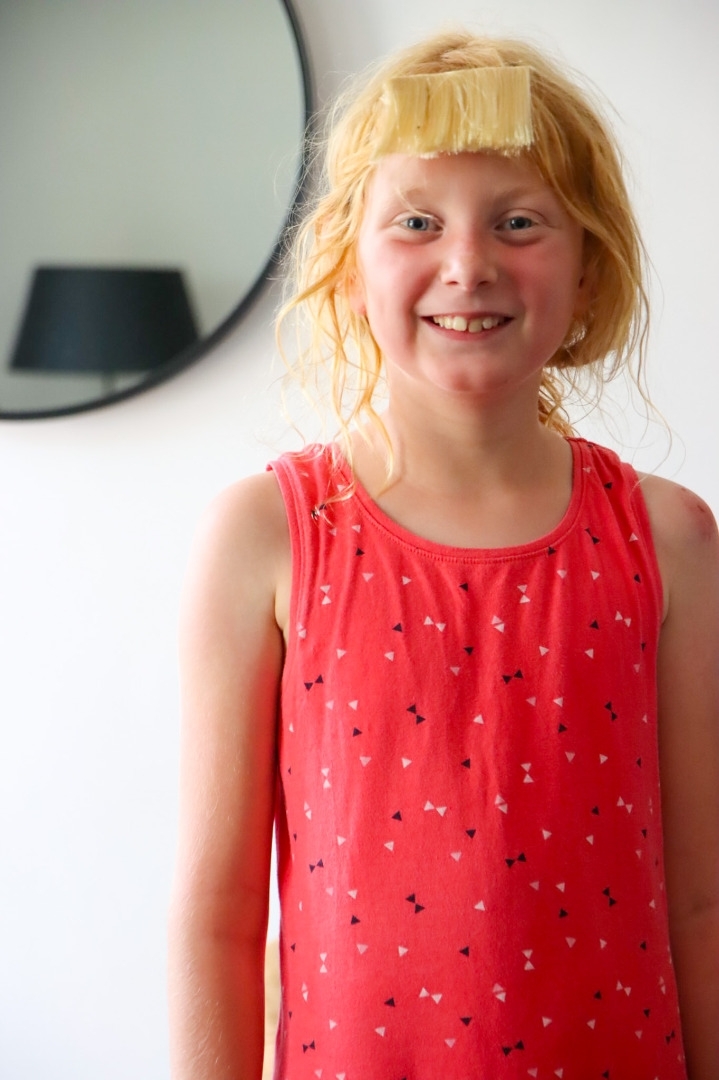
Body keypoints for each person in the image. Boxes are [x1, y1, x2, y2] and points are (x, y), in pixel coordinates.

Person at [168, 30, 719, 1080]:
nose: (467, 264)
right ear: (348, 262)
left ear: (588, 266)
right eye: (417, 222)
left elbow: (697, 900)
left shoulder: (669, 540)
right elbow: (218, 916)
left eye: (518, 222)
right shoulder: (263, 537)